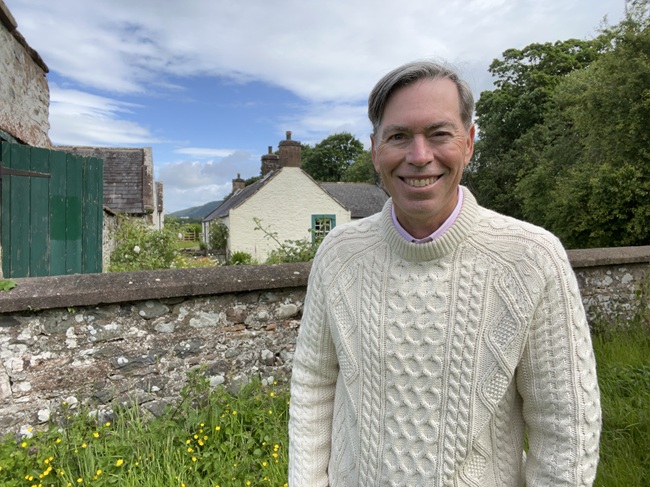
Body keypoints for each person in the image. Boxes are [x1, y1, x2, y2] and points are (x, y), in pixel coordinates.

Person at [288, 60, 601, 487]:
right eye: (398, 136)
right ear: (375, 149)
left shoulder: (531, 258)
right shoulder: (338, 254)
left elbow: (565, 429)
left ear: (469, 143)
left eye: (439, 134)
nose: (420, 157)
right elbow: (313, 385)